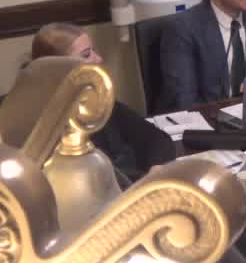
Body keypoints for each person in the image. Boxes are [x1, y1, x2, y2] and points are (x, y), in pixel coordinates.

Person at [30, 23, 176, 183]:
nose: (98, 59)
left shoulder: (96, 100)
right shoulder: (43, 126)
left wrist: (156, 168)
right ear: (58, 67)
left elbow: (157, 139)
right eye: (86, 55)